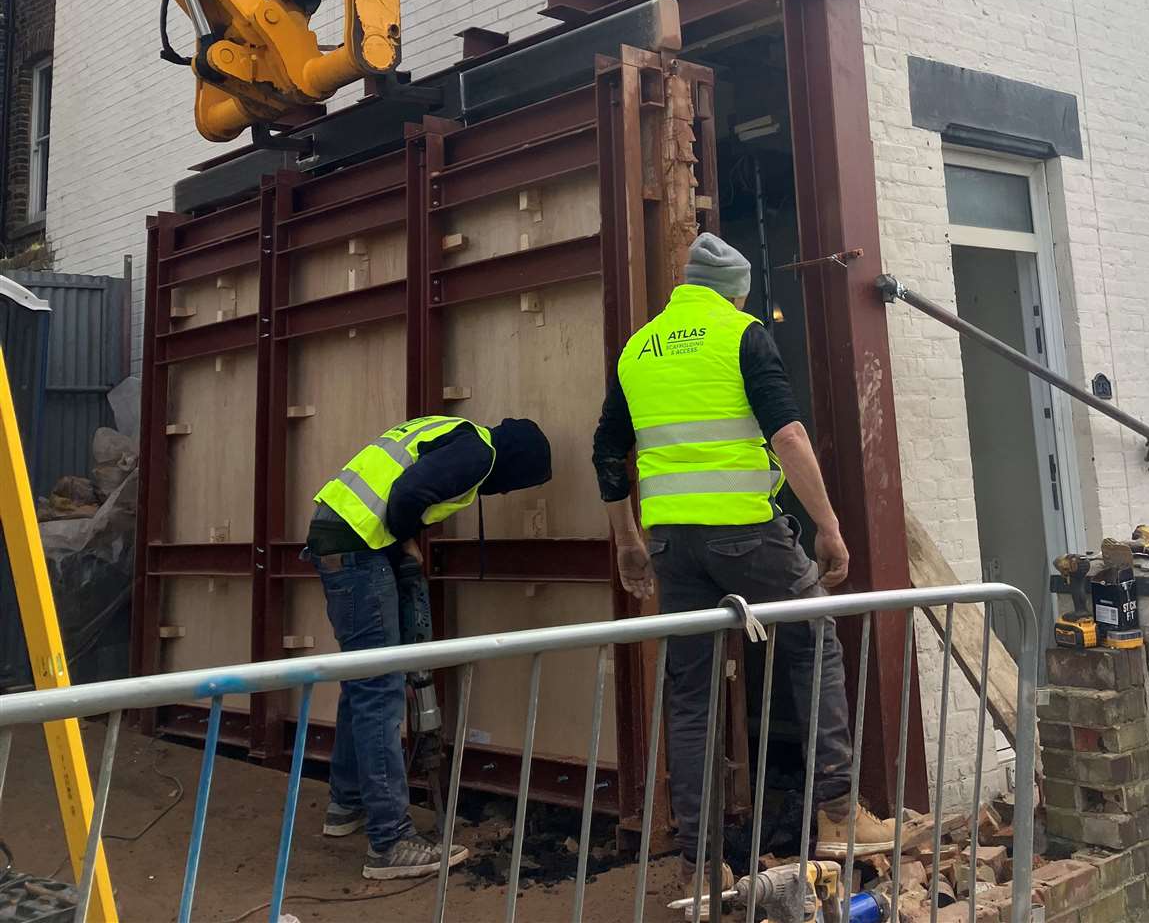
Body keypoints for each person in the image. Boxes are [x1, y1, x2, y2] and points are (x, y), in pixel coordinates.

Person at [592, 233, 894, 916]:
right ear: (736, 290)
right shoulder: (742, 333)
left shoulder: (639, 349)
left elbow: (609, 450)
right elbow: (787, 435)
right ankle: (838, 810)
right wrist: (827, 524)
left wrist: (628, 543)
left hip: (672, 545)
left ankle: (701, 863)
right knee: (813, 633)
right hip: (745, 535)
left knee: (690, 692)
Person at [306, 413, 552, 880]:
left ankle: (347, 803)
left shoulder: (453, 431)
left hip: (340, 535)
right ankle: (390, 843)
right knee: (379, 690)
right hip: (361, 548)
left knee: (365, 681)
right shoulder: (480, 452)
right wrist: (405, 546)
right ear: (515, 464)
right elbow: (409, 496)